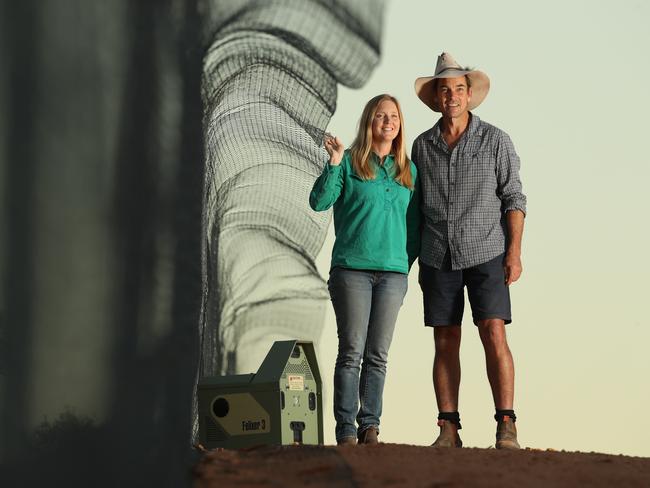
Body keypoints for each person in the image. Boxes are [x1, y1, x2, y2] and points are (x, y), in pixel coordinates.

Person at [412, 53, 527, 449]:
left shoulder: (496, 140)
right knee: (445, 338)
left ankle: (506, 424)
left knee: (494, 332)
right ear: (436, 98)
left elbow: (514, 198)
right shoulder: (421, 146)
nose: (452, 96)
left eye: (459, 89)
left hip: (487, 252)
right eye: (445, 90)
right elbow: (414, 205)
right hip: (437, 254)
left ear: (469, 94)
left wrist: (514, 252)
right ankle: (448, 427)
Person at [309, 94, 420, 446]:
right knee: (352, 350)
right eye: (380, 116)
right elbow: (319, 201)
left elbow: (414, 226)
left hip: (392, 275)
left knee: (378, 355)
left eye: (393, 116)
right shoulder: (350, 163)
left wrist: (404, 267)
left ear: (399, 124)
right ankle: (346, 429)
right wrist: (334, 162)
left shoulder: (408, 170)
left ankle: (370, 425)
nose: (387, 121)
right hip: (352, 270)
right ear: (368, 122)